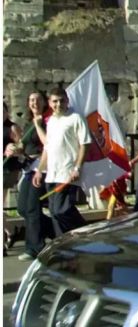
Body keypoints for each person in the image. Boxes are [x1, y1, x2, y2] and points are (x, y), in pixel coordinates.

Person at [31, 88, 90, 237]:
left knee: (61, 209)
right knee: (55, 215)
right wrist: (39, 170)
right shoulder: (51, 121)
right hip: (52, 173)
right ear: (50, 103)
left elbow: (85, 144)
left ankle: (87, 232)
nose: (59, 104)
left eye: (62, 100)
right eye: (55, 101)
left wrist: (77, 167)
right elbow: (48, 147)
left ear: (67, 101)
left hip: (67, 172)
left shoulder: (76, 117)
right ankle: (65, 246)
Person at [13, 92, 49, 260]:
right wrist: (14, 149)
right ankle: (56, 231)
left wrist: (40, 125)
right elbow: (23, 146)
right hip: (28, 168)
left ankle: (34, 247)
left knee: (32, 208)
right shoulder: (28, 124)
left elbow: (48, 144)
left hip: (41, 167)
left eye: (38, 100)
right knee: (22, 208)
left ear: (44, 102)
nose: (34, 102)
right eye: (31, 100)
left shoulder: (48, 121)